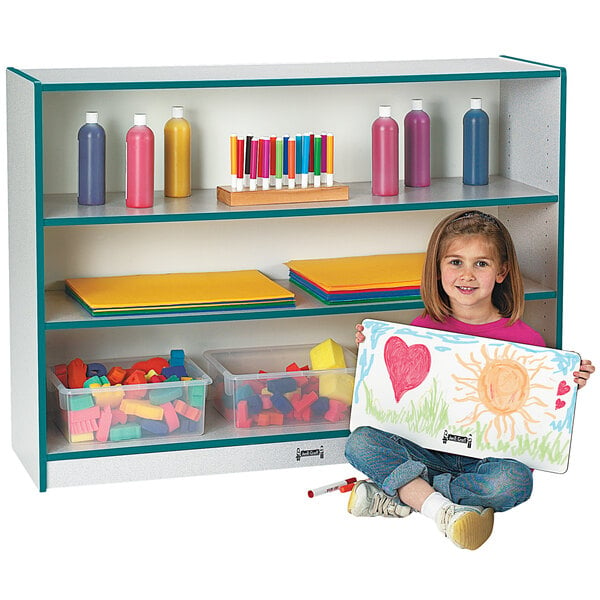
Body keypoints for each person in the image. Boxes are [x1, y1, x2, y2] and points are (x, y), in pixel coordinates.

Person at [345, 209, 595, 550]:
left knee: (514, 482)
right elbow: (396, 407)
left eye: (481, 264)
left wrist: (568, 384)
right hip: (427, 451)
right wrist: (372, 352)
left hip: (485, 463)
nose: (467, 275)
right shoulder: (420, 332)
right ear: (438, 269)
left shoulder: (528, 341)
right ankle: (442, 508)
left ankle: (409, 496)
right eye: (455, 262)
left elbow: (537, 420)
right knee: (359, 441)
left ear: (502, 272)